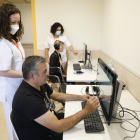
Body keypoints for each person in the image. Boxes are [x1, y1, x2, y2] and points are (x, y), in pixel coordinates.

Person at [12, 56, 100, 140]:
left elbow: (58, 95)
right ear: (32, 76)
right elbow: (58, 127)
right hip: (45, 136)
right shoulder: (27, 99)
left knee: (81, 123)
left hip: (49, 125)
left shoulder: (39, 84)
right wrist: (87, 111)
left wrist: (80, 97)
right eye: (44, 71)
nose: (48, 73)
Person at [0, 3, 25, 140]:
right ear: (4, 22)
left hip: (18, 86)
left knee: (20, 121)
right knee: (13, 124)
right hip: (9, 90)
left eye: (18, 22)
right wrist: (26, 74)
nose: (16, 25)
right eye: (12, 22)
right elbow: (2, 71)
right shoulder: (2, 42)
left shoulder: (14, 40)